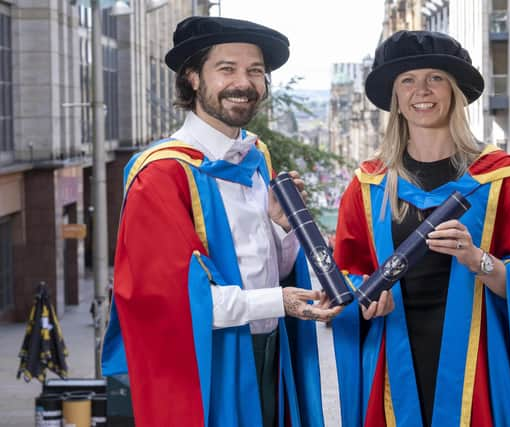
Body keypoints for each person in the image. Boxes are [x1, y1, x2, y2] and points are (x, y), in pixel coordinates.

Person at [100, 16, 341, 427]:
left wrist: (284, 227)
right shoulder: (161, 175)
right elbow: (173, 301)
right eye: (226, 69)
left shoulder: (256, 156)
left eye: (255, 71)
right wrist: (278, 302)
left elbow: (272, 269)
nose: (243, 83)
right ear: (193, 78)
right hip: (206, 365)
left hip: (270, 355)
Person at [333, 30, 510, 426]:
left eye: (435, 78)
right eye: (407, 80)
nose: (421, 90)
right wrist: (363, 295)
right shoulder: (368, 186)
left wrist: (478, 259)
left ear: (455, 90)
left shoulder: (508, 181)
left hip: (479, 365)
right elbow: (347, 274)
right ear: (395, 97)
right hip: (394, 359)